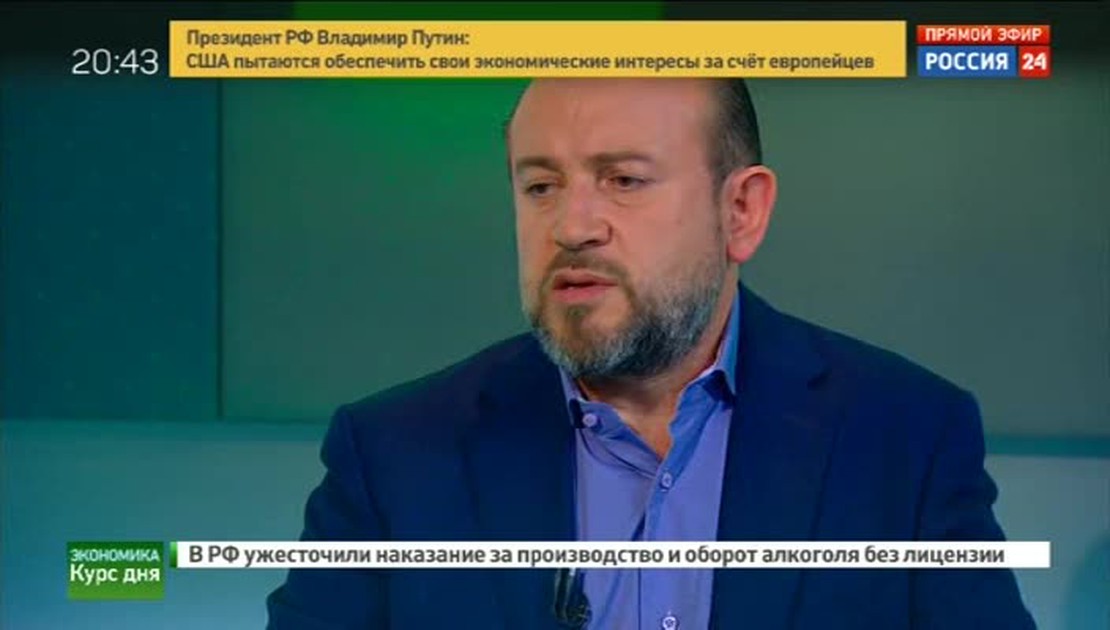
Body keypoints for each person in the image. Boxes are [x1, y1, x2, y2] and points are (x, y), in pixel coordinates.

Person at [267, 78, 1035, 629]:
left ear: (742, 210)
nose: (572, 226)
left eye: (624, 180)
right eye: (540, 186)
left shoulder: (905, 438)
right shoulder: (395, 452)